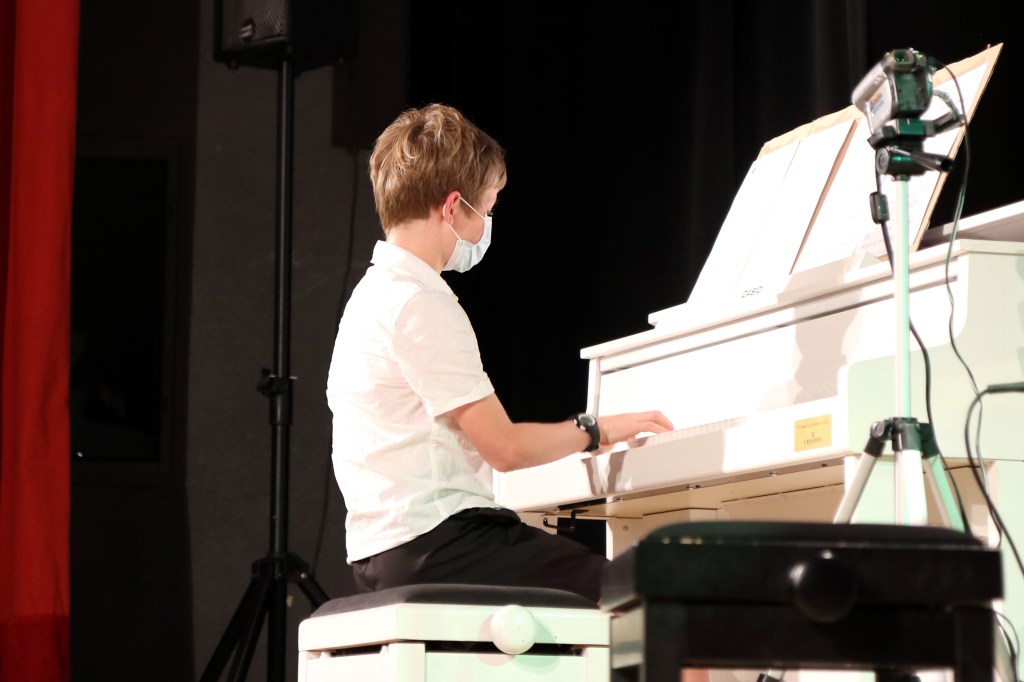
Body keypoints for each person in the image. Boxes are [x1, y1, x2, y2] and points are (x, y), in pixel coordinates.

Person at [326, 103, 673, 603]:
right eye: (487, 210)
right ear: (453, 207)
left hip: (383, 551)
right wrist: (596, 430)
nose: (486, 226)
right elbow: (505, 450)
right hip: (438, 544)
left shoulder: (370, 296)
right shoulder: (420, 303)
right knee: (646, 591)